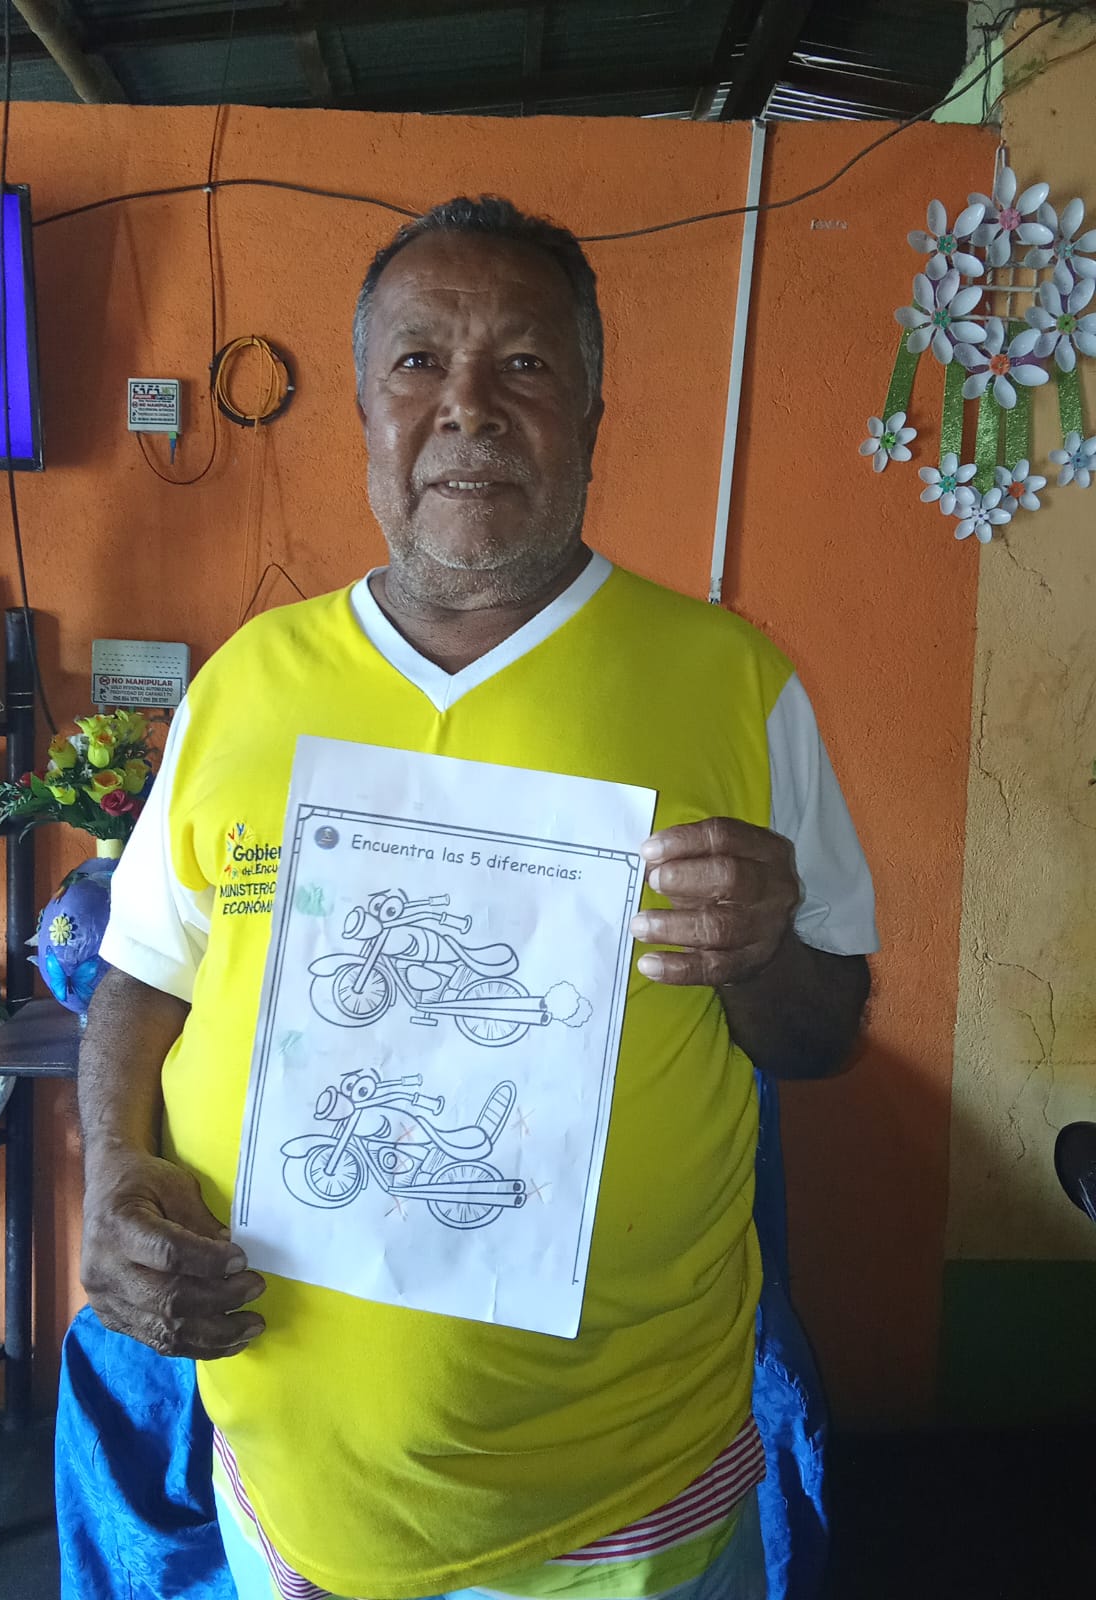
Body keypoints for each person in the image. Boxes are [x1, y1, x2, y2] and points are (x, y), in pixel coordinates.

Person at [82, 196, 877, 1600]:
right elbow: (144, 974)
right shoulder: (246, 683)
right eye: (418, 362)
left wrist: (763, 951)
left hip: (622, 1505)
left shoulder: (734, 686)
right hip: (287, 1495)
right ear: (367, 411)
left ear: (591, 414)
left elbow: (823, 1034)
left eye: (524, 363)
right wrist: (106, 1169)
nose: (467, 405)